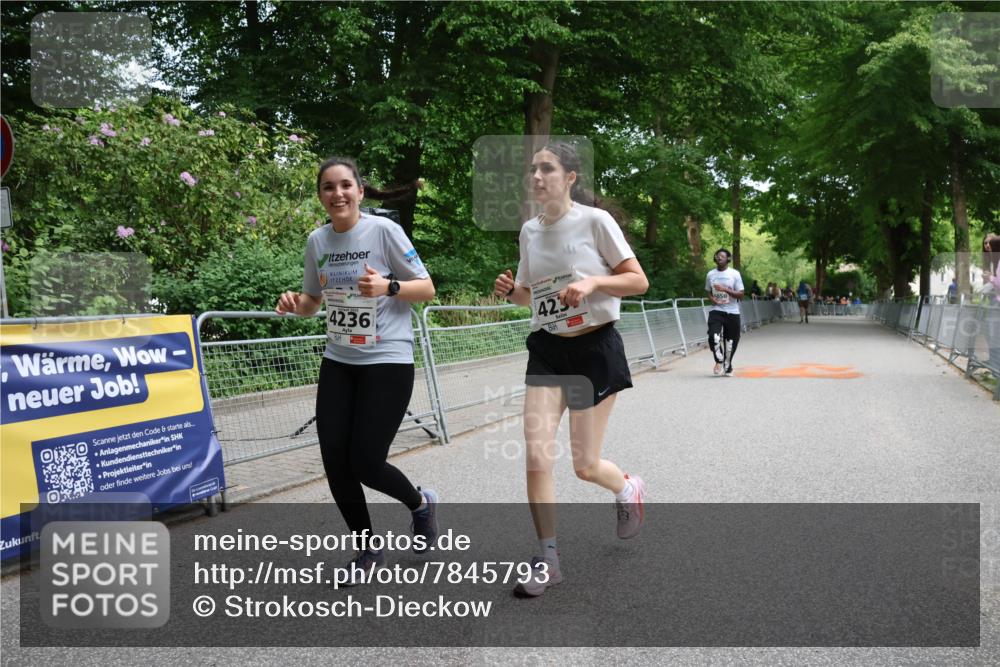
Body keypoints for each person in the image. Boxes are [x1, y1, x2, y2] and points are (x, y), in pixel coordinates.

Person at [493, 141, 649, 598]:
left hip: (594, 350)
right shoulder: (529, 231)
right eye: (533, 169)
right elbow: (531, 296)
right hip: (547, 350)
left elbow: (637, 280)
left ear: (571, 177)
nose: (537, 177)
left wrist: (594, 281)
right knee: (538, 456)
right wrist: (510, 290)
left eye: (547, 168)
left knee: (584, 465)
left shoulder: (595, 221)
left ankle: (626, 488)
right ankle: (548, 560)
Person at [275, 157, 438, 585]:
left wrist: (389, 286)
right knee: (335, 460)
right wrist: (297, 305)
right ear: (321, 196)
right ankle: (366, 549)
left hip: (387, 359)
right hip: (339, 361)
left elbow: (427, 287)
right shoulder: (317, 241)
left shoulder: (384, 231)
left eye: (346, 185)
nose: (338, 193)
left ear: (361, 192)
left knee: (366, 461)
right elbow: (313, 301)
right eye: (328, 187)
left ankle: (420, 504)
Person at [705, 248, 744, 376]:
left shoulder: (734, 274)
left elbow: (741, 294)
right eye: (717, 255)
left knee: (731, 341)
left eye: (722, 256)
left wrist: (725, 289)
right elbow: (708, 291)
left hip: (732, 311)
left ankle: (728, 364)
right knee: (713, 336)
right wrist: (713, 300)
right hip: (716, 310)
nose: (719, 257)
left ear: (728, 259)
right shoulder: (710, 274)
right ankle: (719, 360)